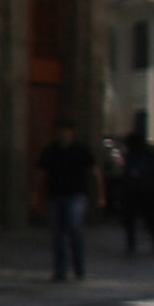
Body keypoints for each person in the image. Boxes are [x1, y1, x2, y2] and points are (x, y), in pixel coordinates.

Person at [34, 118, 104, 283]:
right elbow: (40, 172)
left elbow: (95, 172)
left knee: (74, 228)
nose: (63, 135)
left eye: (66, 132)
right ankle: (60, 270)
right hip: (56, 195)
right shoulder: (51, 151)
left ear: (72, 133)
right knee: (57, 234)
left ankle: (78, 266)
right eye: (60, 132)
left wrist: (101, 195)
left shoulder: (80, 150)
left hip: (76, 196)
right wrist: (35, 194)